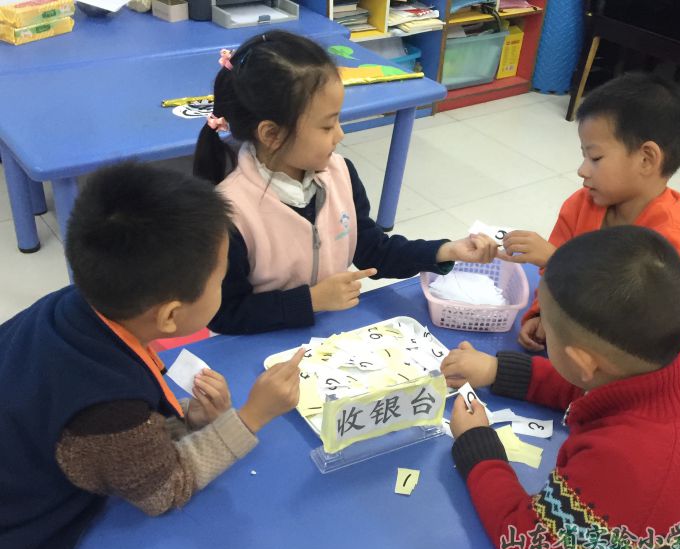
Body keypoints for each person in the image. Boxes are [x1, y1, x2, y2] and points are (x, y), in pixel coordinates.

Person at [0, 163, 303, 549]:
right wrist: (252, 417)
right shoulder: (106, 414)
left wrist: (183, 420)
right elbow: (164, 490)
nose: (224, 286)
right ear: (170, 316)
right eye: (220, 280)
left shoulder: (74, 304)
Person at [442, 226, 680, 549]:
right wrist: (497, 370)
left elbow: (525, 545)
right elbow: (594, 388)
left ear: (583, 362)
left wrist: (476, 443)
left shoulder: (621, 462)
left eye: (547, 322)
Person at [193, 31, 497, 334]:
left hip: (329, 336)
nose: (340, 134)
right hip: (261, 343)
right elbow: (224, 314)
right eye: (327, 126)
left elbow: (374, 251)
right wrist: (310, 300)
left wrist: (446, 250)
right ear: (272, 134)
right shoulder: (230, 214)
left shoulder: (340, 174)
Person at [497, 74, 680, 357]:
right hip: (598, 326)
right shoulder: (581, 204)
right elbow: (551, 278)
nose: (582, 170)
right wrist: (542, 314)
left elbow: (636, 314)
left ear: (646, 159)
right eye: (584, 156)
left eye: (595, 158)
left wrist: (557, 260)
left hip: (679, 342)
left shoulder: (673, 237)